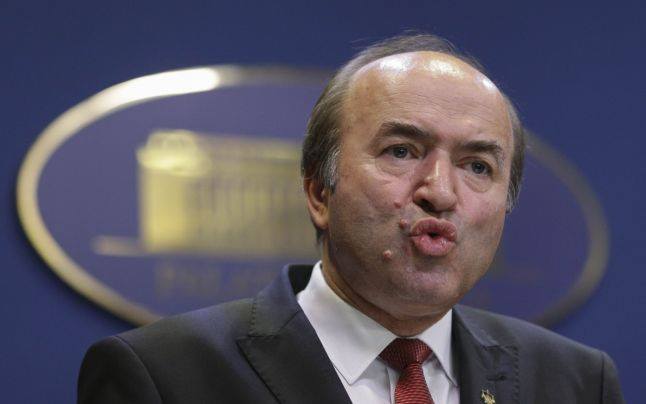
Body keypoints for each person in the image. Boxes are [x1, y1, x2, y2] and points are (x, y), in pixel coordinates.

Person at [78, 34, 624, 403]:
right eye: (402, 151)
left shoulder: (576, 383)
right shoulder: (162, 377)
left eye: (477, 165)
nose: (440, 192)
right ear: (320, 191)